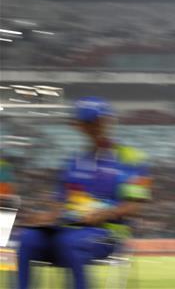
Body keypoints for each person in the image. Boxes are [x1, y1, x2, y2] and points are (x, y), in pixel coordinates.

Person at [16, 97, 151, 289]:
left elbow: (135, 205)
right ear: (79, 126)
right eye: (88, 122)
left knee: (67, 242)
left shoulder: (132, 159)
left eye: (99, 120)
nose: (95, 126)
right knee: (27, 238)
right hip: (69, 228)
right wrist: (47, 217)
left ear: (110, 121)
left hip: (108, 233)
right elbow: (62, 203)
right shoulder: (74, 163)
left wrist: (104, 214)